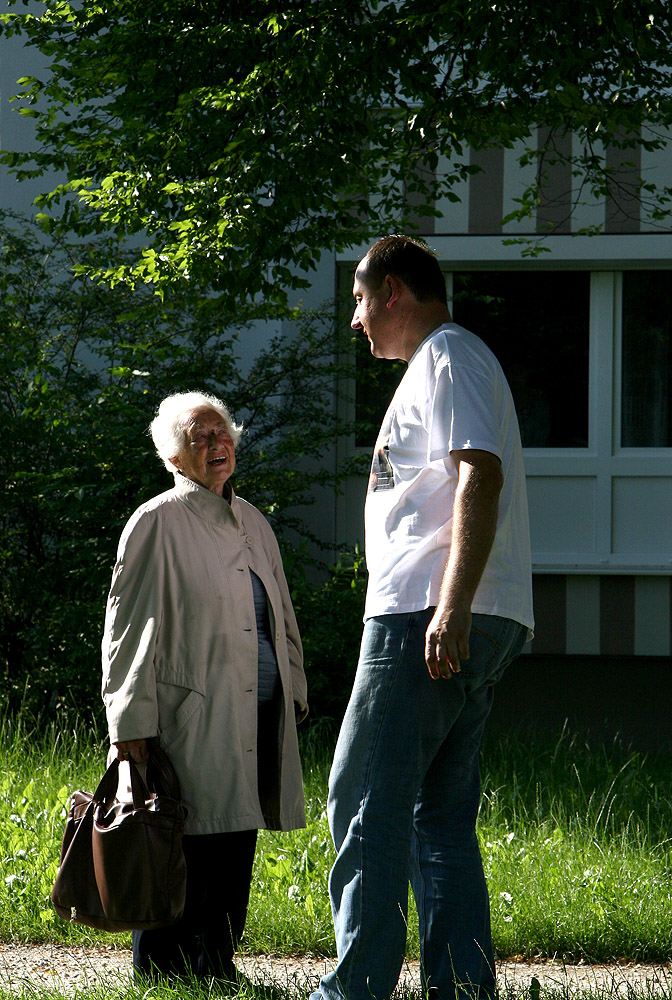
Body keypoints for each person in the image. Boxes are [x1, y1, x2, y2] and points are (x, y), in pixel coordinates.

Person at [311, 236, 534, 1000]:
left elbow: (480, 472)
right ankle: (462, 990)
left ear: (394, 292)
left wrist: (450, 605)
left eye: (360, 301)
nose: (355, 321)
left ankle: (354, 990)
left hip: (424, 616)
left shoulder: (448, 354)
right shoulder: (445, 361)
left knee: (362, 795)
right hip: (464, 613)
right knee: (435, 816)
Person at [101, 390, 308, 983]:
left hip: (256, 713)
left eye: (223, 435)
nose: (217, 445)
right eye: (200, 437)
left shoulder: (253, 522)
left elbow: (281, 614)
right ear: (174, 457)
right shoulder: (157, 522)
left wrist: (294, 687)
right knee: (176, 842)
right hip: (189, 712)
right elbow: (129, 630)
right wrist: (129, 728)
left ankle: (216, 968)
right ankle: (160, 972)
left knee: (235, 841)